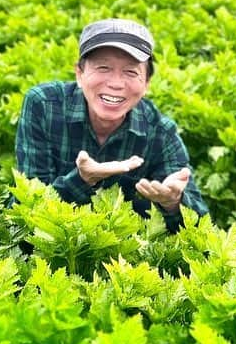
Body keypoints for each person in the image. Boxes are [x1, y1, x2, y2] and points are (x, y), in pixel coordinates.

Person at [15, 18, 208, 230]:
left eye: (130, 72)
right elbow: (28, 206)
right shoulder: (44, 105)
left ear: (146, 84)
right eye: (103, 68)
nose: (115, 83)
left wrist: (172, 203)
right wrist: (82, 179)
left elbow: (201, 227)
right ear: (79, 74)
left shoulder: (160, 132)